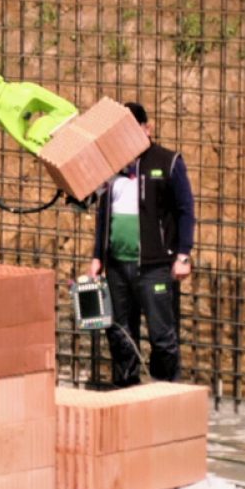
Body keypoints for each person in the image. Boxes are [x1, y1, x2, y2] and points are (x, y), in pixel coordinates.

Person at [88, 101, 195, 387]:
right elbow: (102, 214)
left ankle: (165, 393)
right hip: (117, 266)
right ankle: (126, 390)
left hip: (155, 266)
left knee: (162, 337)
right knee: (121, 334)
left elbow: (186, 210)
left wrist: (183, 255)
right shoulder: (111, 169)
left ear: (148, 128)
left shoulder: (168, 162)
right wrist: (98, 255)